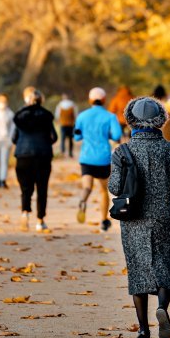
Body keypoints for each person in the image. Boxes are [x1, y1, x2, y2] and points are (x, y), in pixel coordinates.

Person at [109, 97, 170, 338]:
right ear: (161, 120)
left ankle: (142, 332)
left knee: (138, 270)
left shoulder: (122, 152)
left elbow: (115, 187)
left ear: (131, 120)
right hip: (165, 217)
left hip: (133, 218)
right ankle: (162, 306)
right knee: (167, 265)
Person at [74, 87, 122, 231]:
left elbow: (77, 136)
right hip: (103, 158)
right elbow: (116, 135)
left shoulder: (82, 116)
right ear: (104, 100)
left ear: (90, 100)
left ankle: (83, 199)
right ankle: (103, 221)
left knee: (87, 186)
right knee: (103, 190)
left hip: (86, 157)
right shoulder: (110, 117)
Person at [12, 87, 58, 232]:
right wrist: (45, 143)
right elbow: (54, 137)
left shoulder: (20, 116)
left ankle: (25, 213)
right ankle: (40, 221)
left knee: (26, 188)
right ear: (41, 100)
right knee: (42, 188)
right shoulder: (46, 116)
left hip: (23, 156)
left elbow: (14, 138)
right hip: (43, 156)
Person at [54, 93, 78, 158]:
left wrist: (58, 121)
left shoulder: (60, 105)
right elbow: (75, 114)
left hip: (63, 124)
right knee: (70, 139)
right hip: (71, 124)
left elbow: (57, 115)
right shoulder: (72, 104)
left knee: (63, 139)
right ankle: (70, 153)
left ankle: (62, 152)